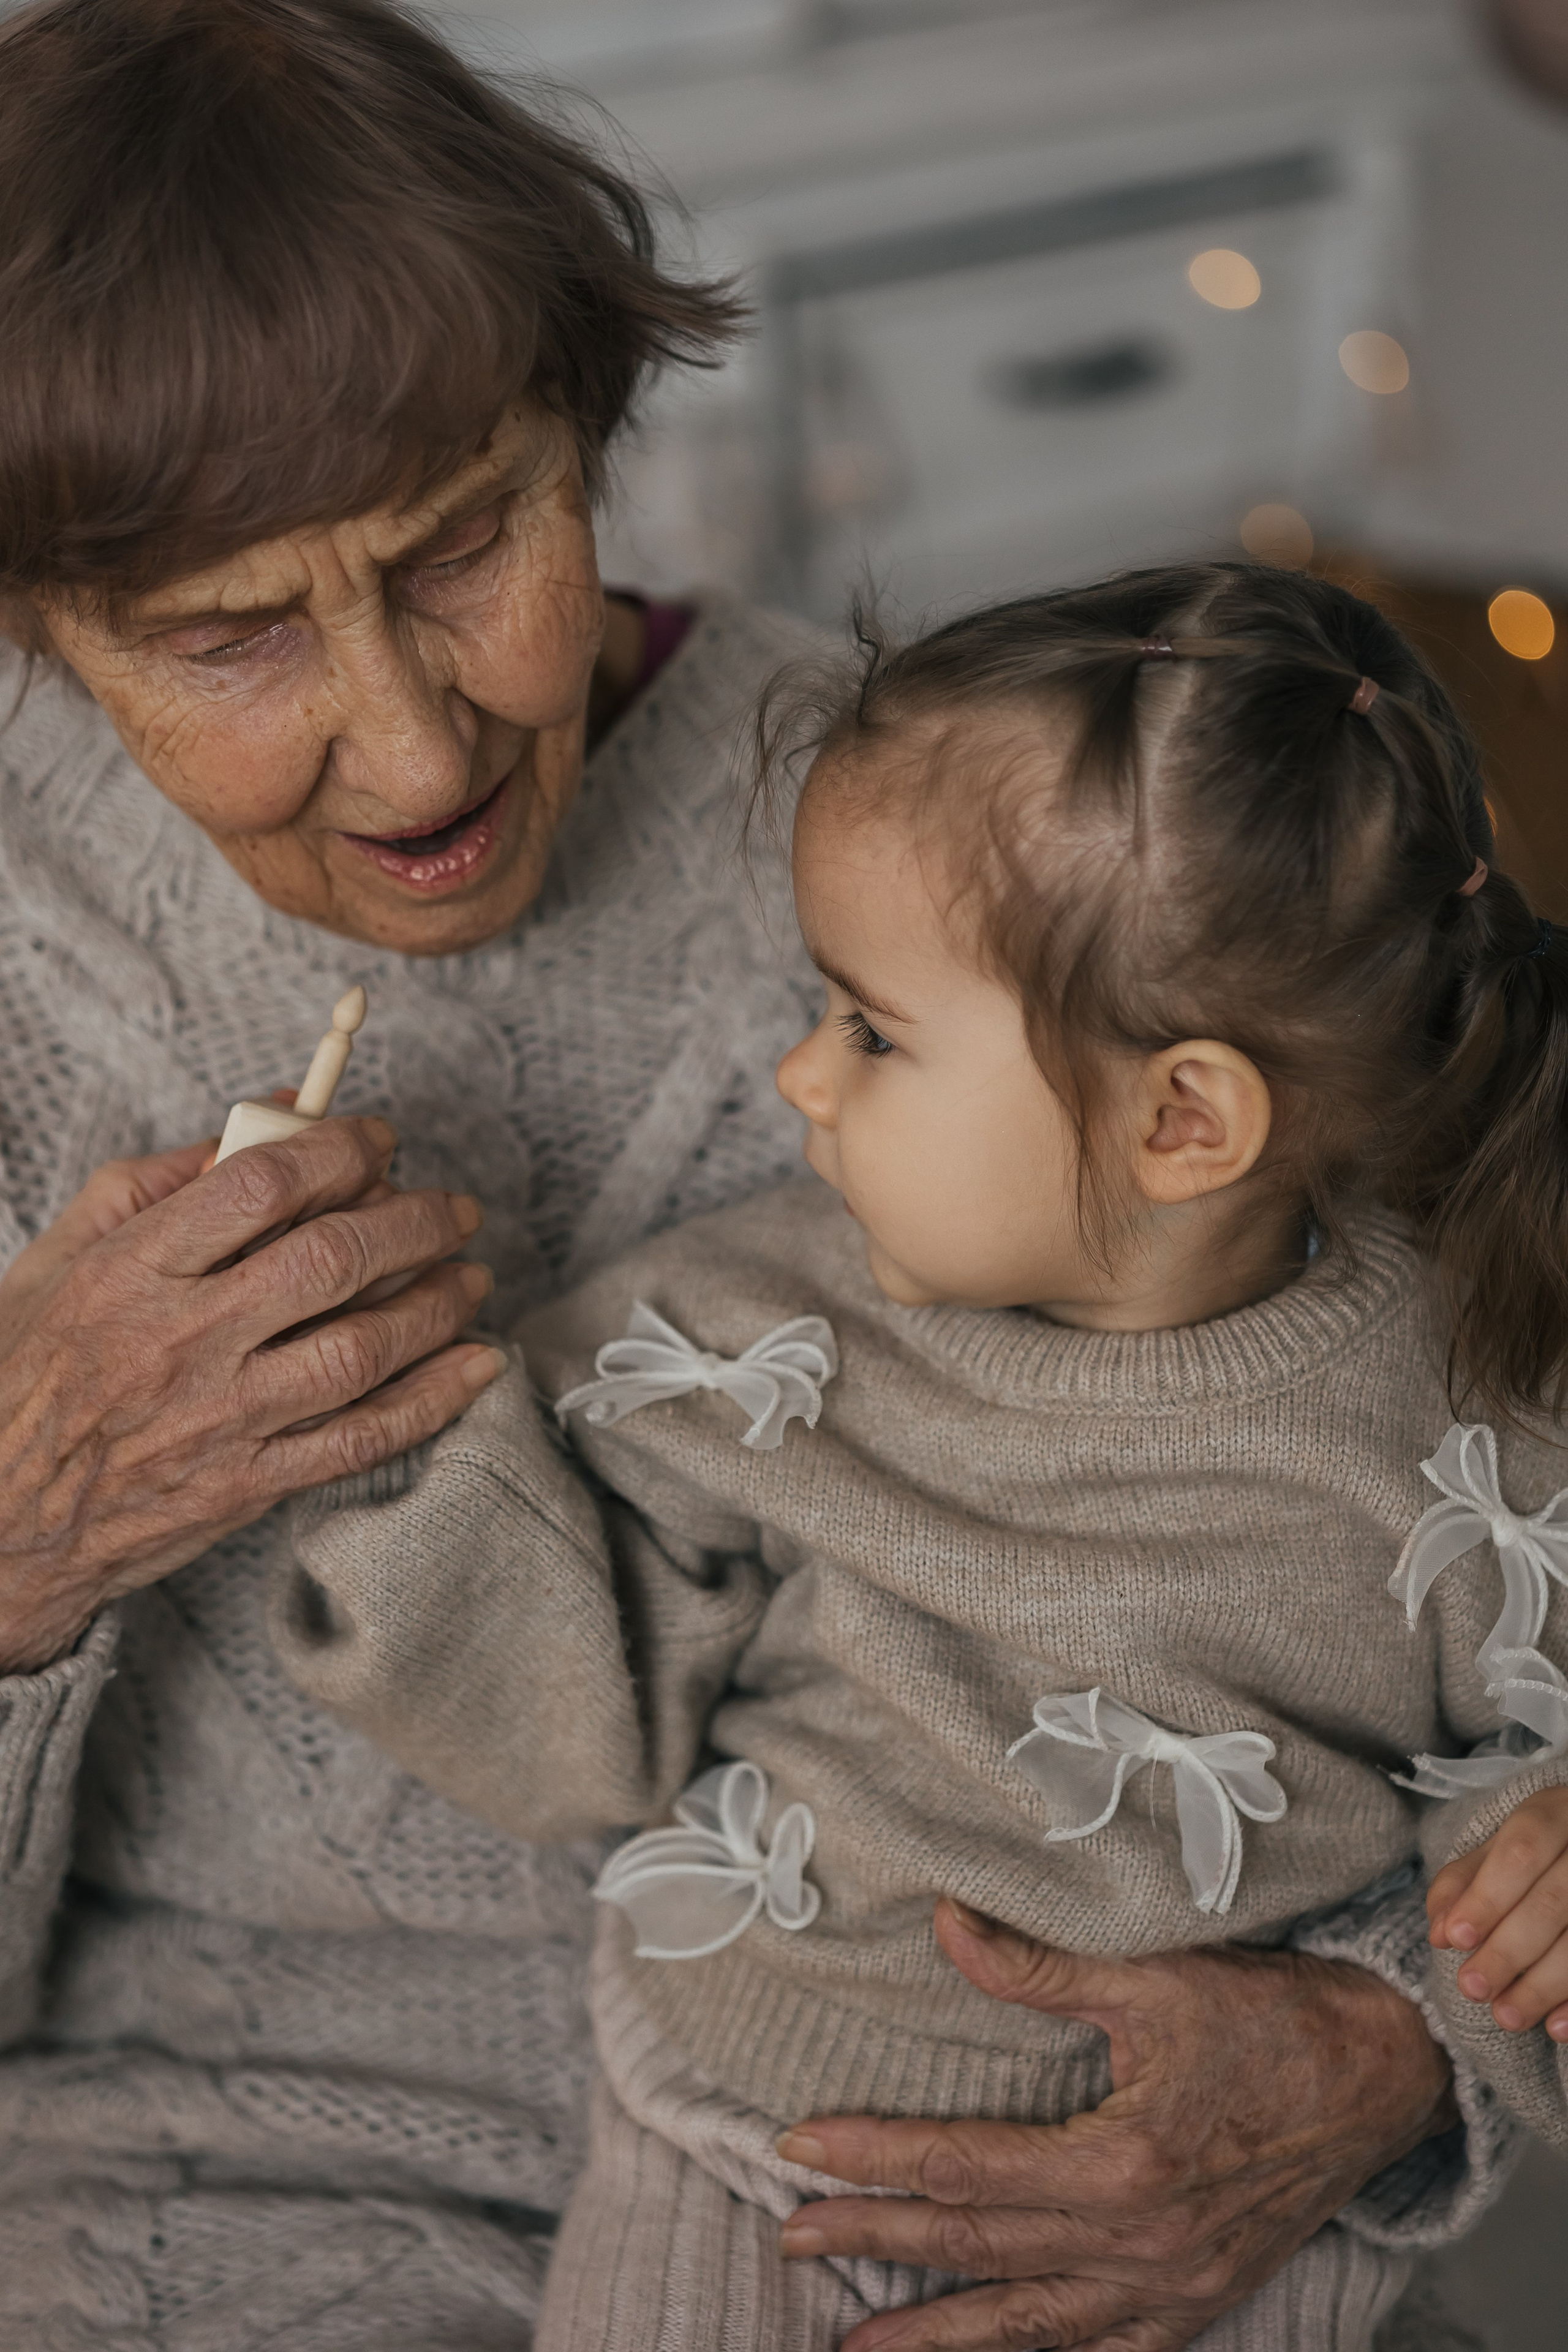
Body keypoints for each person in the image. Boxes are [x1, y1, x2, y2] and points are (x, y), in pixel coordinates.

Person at [0, 4, 1499, 2347]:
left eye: (469, 539)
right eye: (226, 636)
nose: (411, 741)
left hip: (997, 2136)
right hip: (201, 2165)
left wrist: (1406, 2048)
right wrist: (20, 1532)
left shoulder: (950, 838)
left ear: (590, 431)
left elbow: (1394, 1505)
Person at [267, 564, 1568, 2351]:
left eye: (872, 1030)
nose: (803, 1079)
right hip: (751, 2176)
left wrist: (1539, 1850)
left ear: (1181, 1118)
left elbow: (1529, 1768)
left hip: (1256, 2231)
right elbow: (571, 1713)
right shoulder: (750, 1338)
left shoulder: (1468, 1417)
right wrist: (386, 1427)